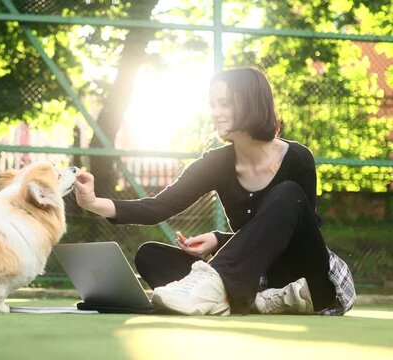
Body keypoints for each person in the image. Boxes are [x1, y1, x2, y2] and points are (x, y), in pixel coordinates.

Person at [73, 66, 356, 316]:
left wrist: (220, 240)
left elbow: (298, 235)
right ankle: (238, 298)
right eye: (213, 104)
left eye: (225, 104)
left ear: (251, 103)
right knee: (149, 256)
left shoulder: (297, 158)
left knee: (288, 193)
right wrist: (94, 202)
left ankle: (219, 288)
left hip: (307, 280)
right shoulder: (216, 163)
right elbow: (158, 207)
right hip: (255, 277)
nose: (215, 113)